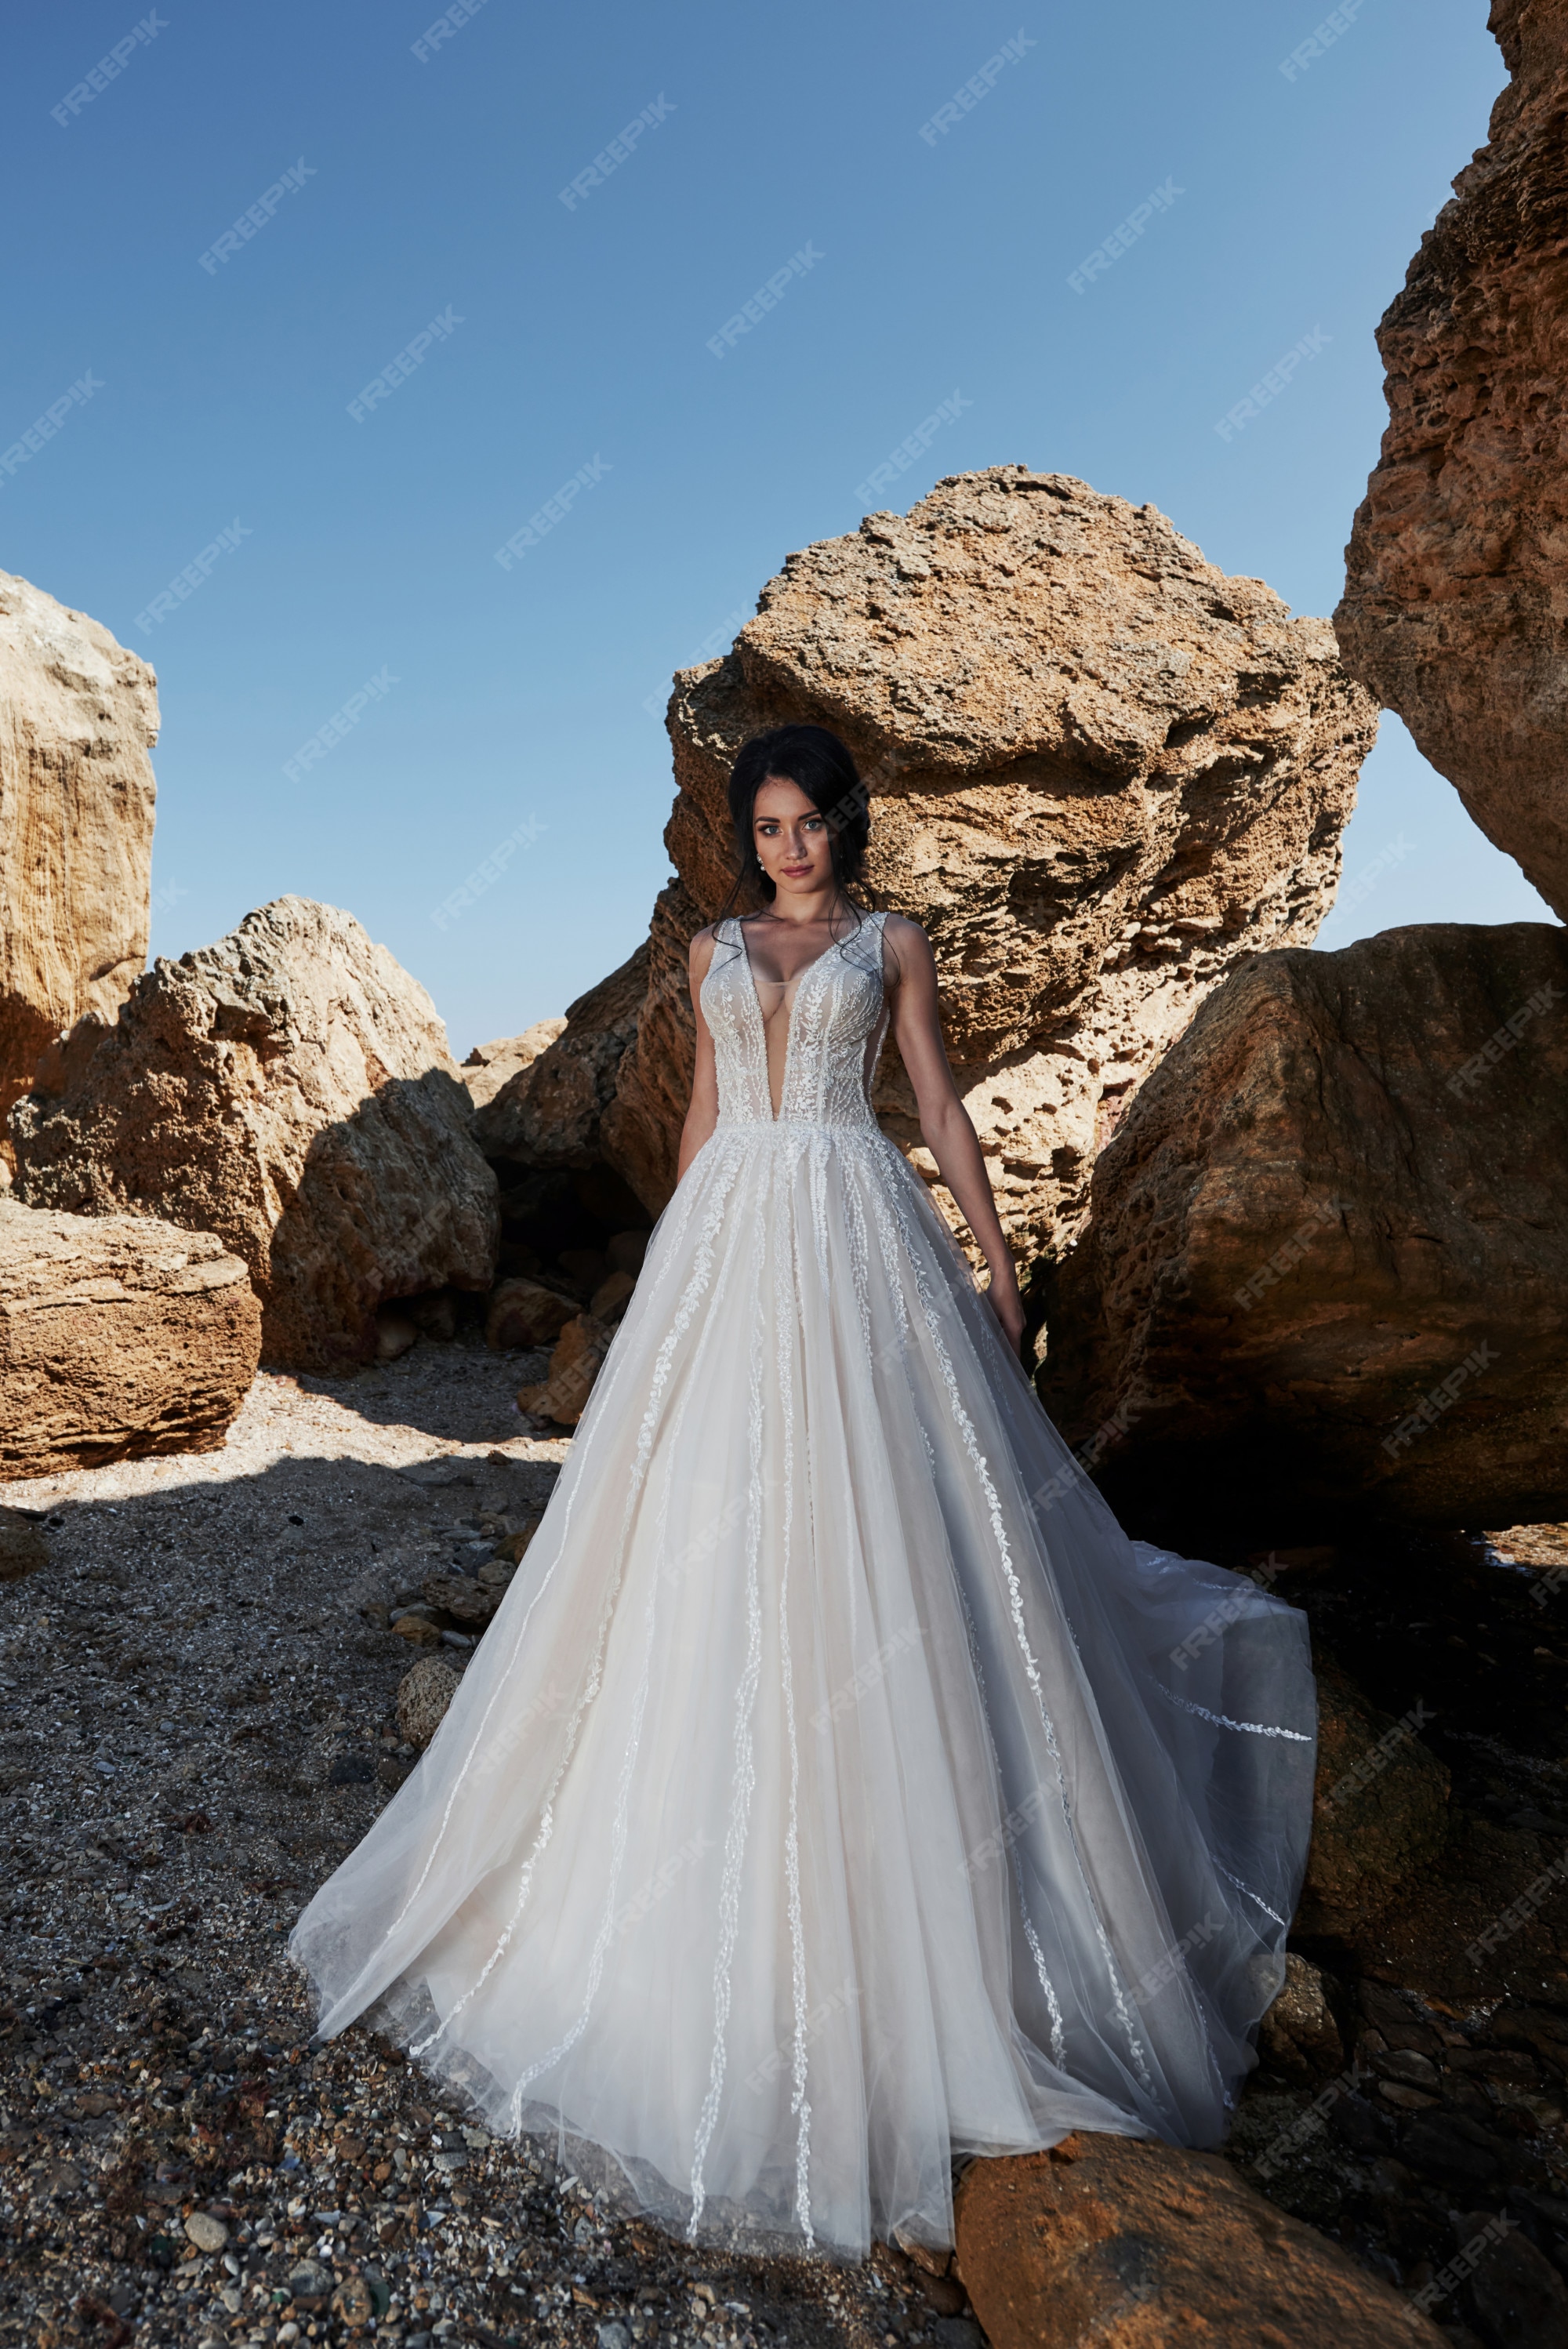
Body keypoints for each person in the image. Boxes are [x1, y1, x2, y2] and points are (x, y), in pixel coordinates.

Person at [290, 723, 1316, 2263]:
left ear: (841, 825)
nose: (790, 844)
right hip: (736, 1242)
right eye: (766, 823)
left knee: (905, 1539)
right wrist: (658, 1289)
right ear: (745, 833)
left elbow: (939, 1108)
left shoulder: (889, 943)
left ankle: (931, 1916)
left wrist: (996, 1267)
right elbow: (705, 1123)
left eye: (809, 821)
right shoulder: (711, 950)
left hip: (856, 1232)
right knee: (697, 1552)